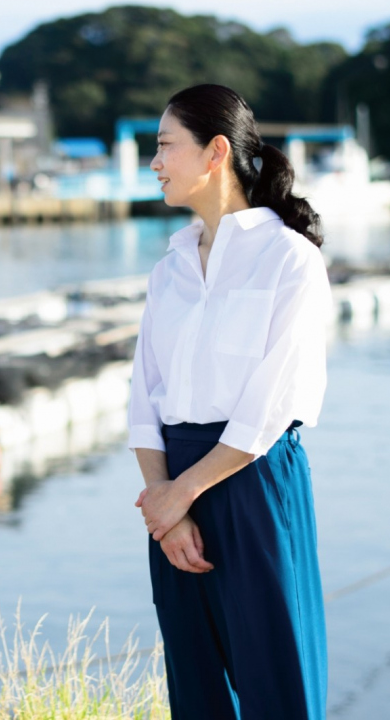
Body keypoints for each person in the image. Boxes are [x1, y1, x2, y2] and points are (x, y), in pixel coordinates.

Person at [131, 84, 331, 719]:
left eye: (165, 146)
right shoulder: (169, 270)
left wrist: (179, 494)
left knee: (279, 678)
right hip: (173, 489)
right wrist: (167, 508)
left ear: (215, 151)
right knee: (196, 689)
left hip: (253, 480)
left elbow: (271, 407)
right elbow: (143, 399)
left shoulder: (289, 259)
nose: (155, 162)